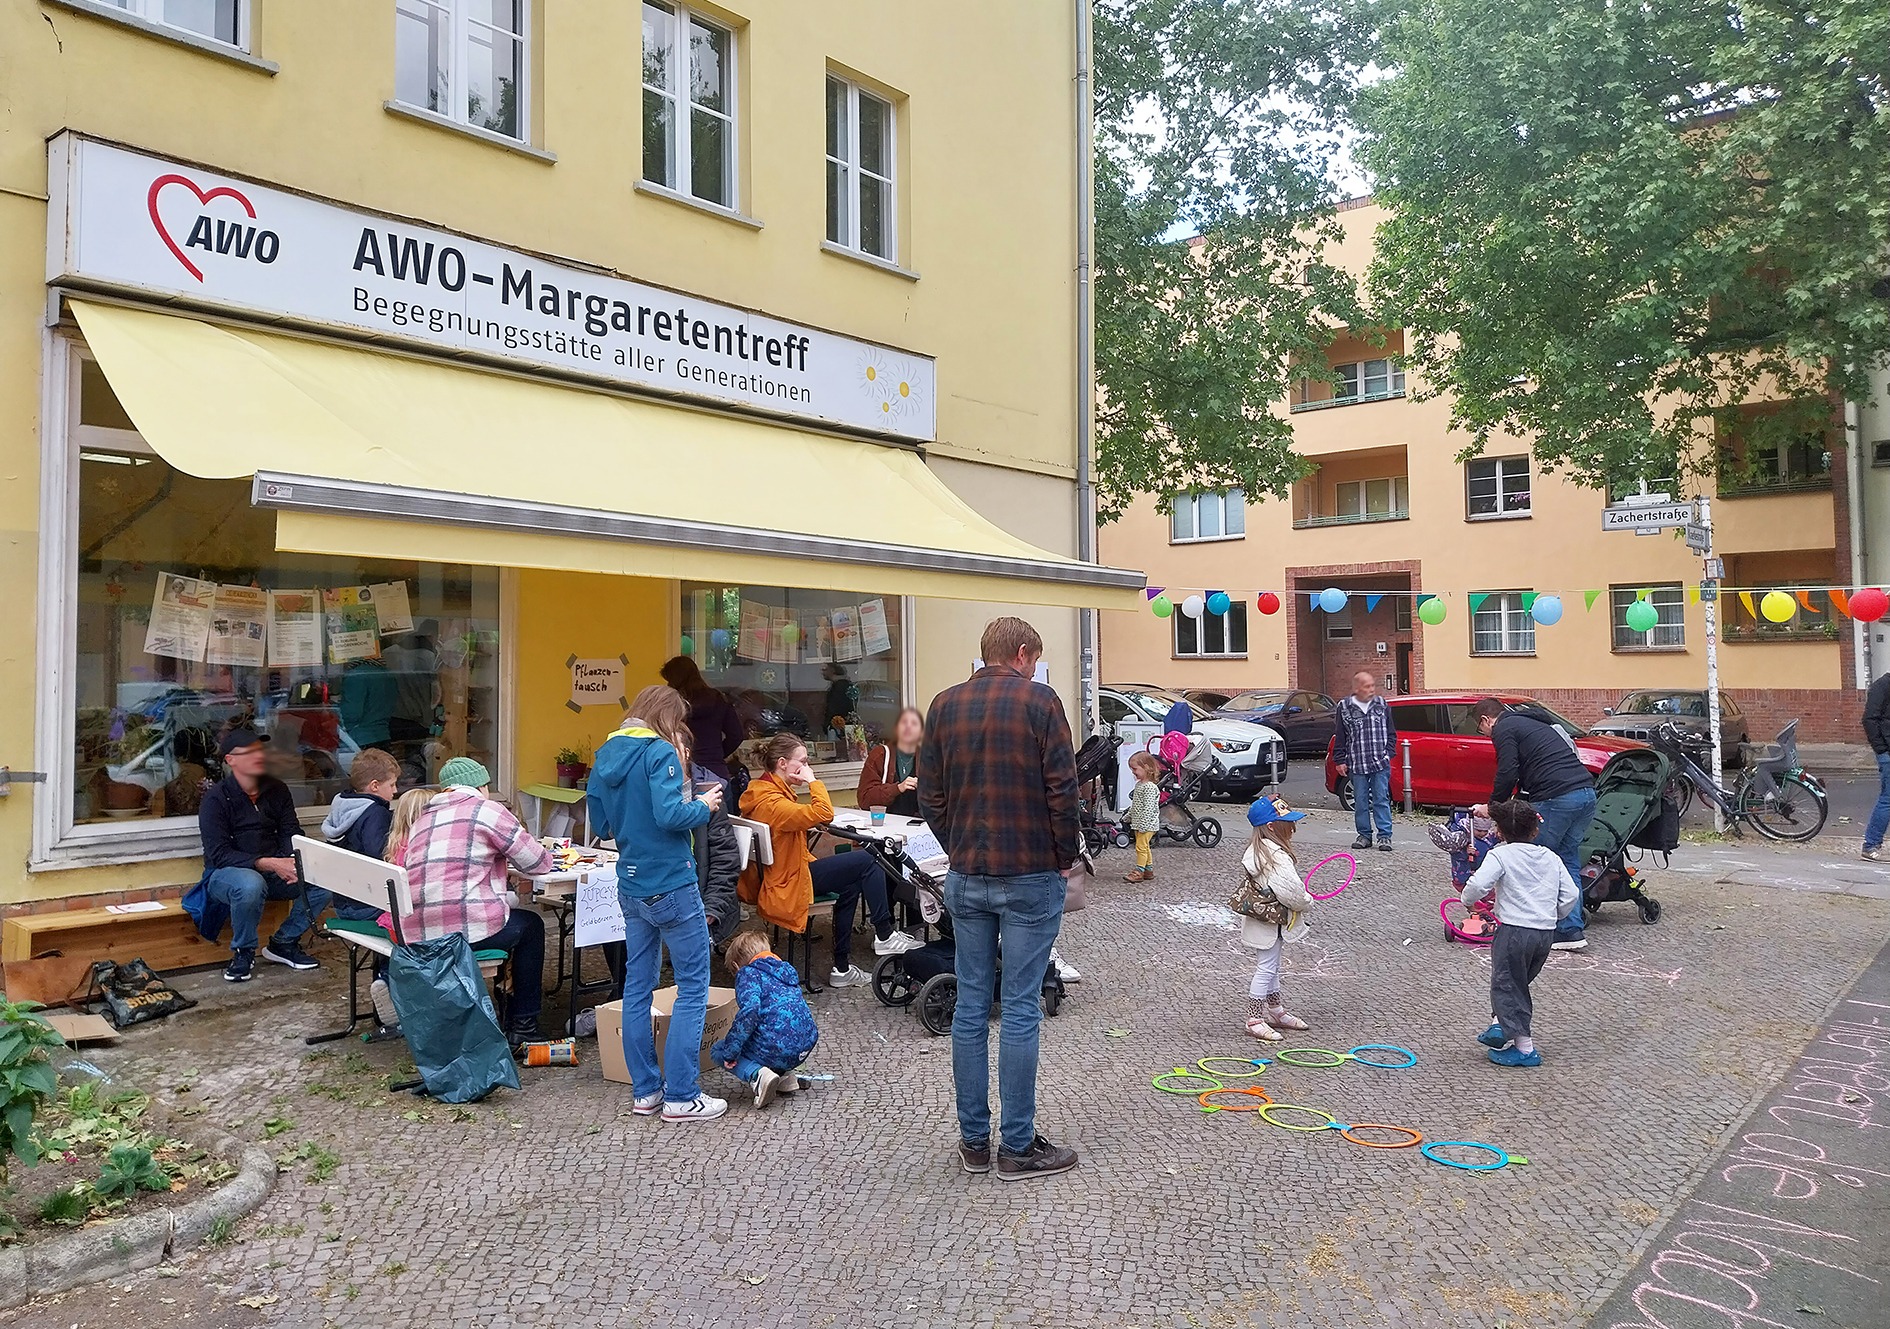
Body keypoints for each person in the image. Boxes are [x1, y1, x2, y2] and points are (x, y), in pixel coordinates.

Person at [920, 616, 1081, 1181]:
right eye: (1034, 658)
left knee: (970, 1004)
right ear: (1021, 652)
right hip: (1030, 870)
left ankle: (972, 1142)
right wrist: (1065, 854)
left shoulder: (942, 705)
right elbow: (1063, 788)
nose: (1036, 667)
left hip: (967, 873)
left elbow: (930, 795)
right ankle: (1016, 1146)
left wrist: (958, 845)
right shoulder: (1040, 702)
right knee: (1017, 1006)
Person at [588, 685, 725, 1123]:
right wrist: (702, 804)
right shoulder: (660, 751)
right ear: (667, 717)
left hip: (630, 882)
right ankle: (682, 1096)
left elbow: (602, 826)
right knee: (692, 986)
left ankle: (646, 1092)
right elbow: (670, 817)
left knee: (637, 987)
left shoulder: (605, 754)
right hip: (671, 880)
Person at [397, 757, 554, 1053]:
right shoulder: (487, 810)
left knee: (511, 921)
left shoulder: (423, 817)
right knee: (530, 926)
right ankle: (523, 1025)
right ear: (482, 785)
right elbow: (537, 862)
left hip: (419, 929)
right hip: (461, 931)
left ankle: (507, 1012)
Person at [740, 734, 922, 986]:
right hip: (790, 882)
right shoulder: (772, 802)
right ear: (782, 763)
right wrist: (813, 781)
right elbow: (823, 812)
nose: (807, 768)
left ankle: (841, 969)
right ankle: (884, 933)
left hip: (782, 876)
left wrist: (807, 824)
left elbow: (795, 823)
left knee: (851, 883)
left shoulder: (761, 790)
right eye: (802, 762)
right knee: (868, 857)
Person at [186, 728, 332, 984]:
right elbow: (219, 854)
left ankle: (283, 943)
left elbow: (291, 832)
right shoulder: (216, 798)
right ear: (230, 760)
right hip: (225, 876)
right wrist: (269, 863)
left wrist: (293, 861)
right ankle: (243, 952)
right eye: (250, 752)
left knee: (326, 878)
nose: (259, 757)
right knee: (251, 883)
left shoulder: (277, 790)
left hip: (273, 872)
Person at [1470, 698, 1595, 951]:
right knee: (1566, 858)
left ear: (1486, 720)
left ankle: (1529, 925)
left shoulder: (1504, 728)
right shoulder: (1530, 723)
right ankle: (1570, 930)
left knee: (1533, 859)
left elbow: (1508, 771)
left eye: (1479, 729)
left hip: (1557, 797)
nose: (1483, 734)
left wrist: (1492, 807)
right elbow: (1531, 772)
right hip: (1586, 793)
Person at [1461, 798, 1578, 1068]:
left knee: (1506, 983)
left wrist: (1468, 899)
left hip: (1514, 930)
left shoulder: (1501, 855)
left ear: (1499, 832)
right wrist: (1553, 915)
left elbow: (1478, 884)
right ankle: (1499, 1025)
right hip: (1545, 934)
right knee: (1517, 982)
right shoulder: (1551, 857)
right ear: (1535, 830)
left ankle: (1525, 1050)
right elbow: (1570, 894)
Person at [710, 931, 819, 1108]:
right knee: (778, 1025)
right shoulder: (786, 970)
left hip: (777, 1047)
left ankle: (759, 1076)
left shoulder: (748, 974)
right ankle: (785, 1078)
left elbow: (750, 1011)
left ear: (737, 966)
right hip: (805, 1045)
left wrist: (732, 1050)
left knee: (719, 1050)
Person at [1237, 797, 1313, 1041]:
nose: (1291, 828)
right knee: (1266, 968)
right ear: (1271, 827)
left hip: (1268, 922)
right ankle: (1254, 1019)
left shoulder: (1260, 851)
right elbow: (1292, 893)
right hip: (1270, 922)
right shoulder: (1276, 857)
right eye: (1286, 823)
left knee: (1272, 967)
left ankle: (1276, 1011)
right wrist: (1307, 901)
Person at [319, 749, 401, 917]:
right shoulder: (375, 814)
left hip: (344, 902)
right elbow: (381, 856)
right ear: (375, 786)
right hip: (370, 904)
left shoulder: (342, 805)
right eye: (392, 784)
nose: (395, 790)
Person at [1332, 670, 1396, 853]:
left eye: (1372, 685)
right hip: (1357, 762)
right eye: (1367, 686)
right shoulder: (1344, 707)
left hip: (1380, 762)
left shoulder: (1382, 704)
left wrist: (1388, 753)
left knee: (1381, 798)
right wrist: (1339, 759)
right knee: (1360, 800)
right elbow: (1340, 735)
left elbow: (1391, 732)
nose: (1371, 689)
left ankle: (1385, 836)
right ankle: (1364, 835)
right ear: (1357, 688)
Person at [661, 655, 746, 789]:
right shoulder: (718, 699)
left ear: (675, 680)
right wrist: (716, 754)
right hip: (716, 772)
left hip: (685, 773)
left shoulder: (674, 705)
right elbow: (736, 735)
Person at [858, 707, 925, 819]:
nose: (908, 726)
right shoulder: (880, 755)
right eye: (904, 722)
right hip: (886, 825)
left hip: (919, 827)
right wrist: (897, 788)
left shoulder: (928, 757)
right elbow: (864, 800)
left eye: (914, 723)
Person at [1862, 669, 1890, 861]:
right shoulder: (1882, 686)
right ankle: (1871, 845)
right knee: (1888, 799)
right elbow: (1869, 720)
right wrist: (1882, 749)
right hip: (1888, 753)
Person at [1123, 751, 1162, 883]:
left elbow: (1148, 808)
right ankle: (1148, 870)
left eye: (1135, 769)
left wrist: (1144, 825)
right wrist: (1129, 816)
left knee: (1140, 847)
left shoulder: (1150, 788)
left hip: (1146, 824)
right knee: (1145, 847)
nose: (1133, 772)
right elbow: (1136, 805)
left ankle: (1139, 871)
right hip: (1139, 823)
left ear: (1146, 767)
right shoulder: (1140, 785)